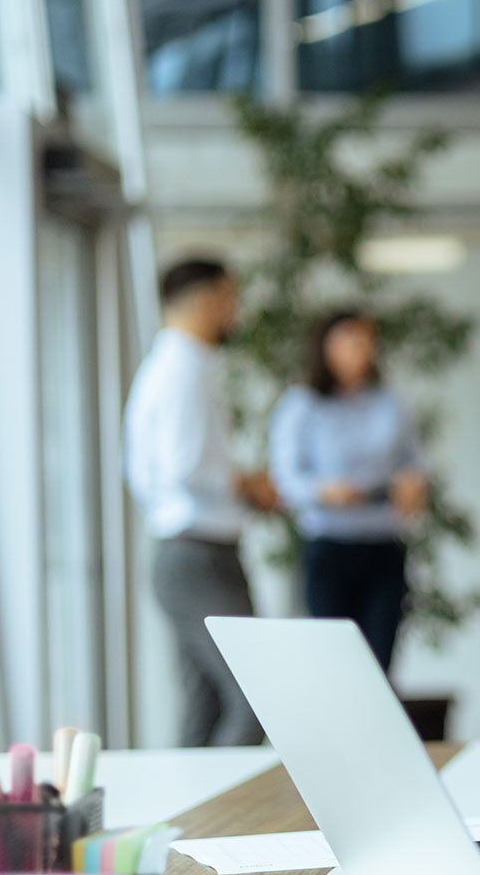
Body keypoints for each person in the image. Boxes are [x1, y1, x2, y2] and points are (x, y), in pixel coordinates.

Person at [124, 257, 277, 747]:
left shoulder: (176, 364)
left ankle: (190, 821)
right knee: (256, 695)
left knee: (204, 704)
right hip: (198, 556)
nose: (236, 311)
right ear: (208, 300)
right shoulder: (181, 368)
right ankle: (217, 824)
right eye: (231, 298)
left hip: (190, 551)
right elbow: (185, 469)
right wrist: (247, 484)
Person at [269, 307, 426, 674]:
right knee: (333, 664)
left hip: (382, 544)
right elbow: (285, 478)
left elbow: (414, 463)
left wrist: (413, 484)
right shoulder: (302, 405)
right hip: (329, 545)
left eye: (366, 342)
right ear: (325, 348)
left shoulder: (391, 404)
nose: (360, 350)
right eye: (350, 342)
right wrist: (325, 491)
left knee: (379, 663)